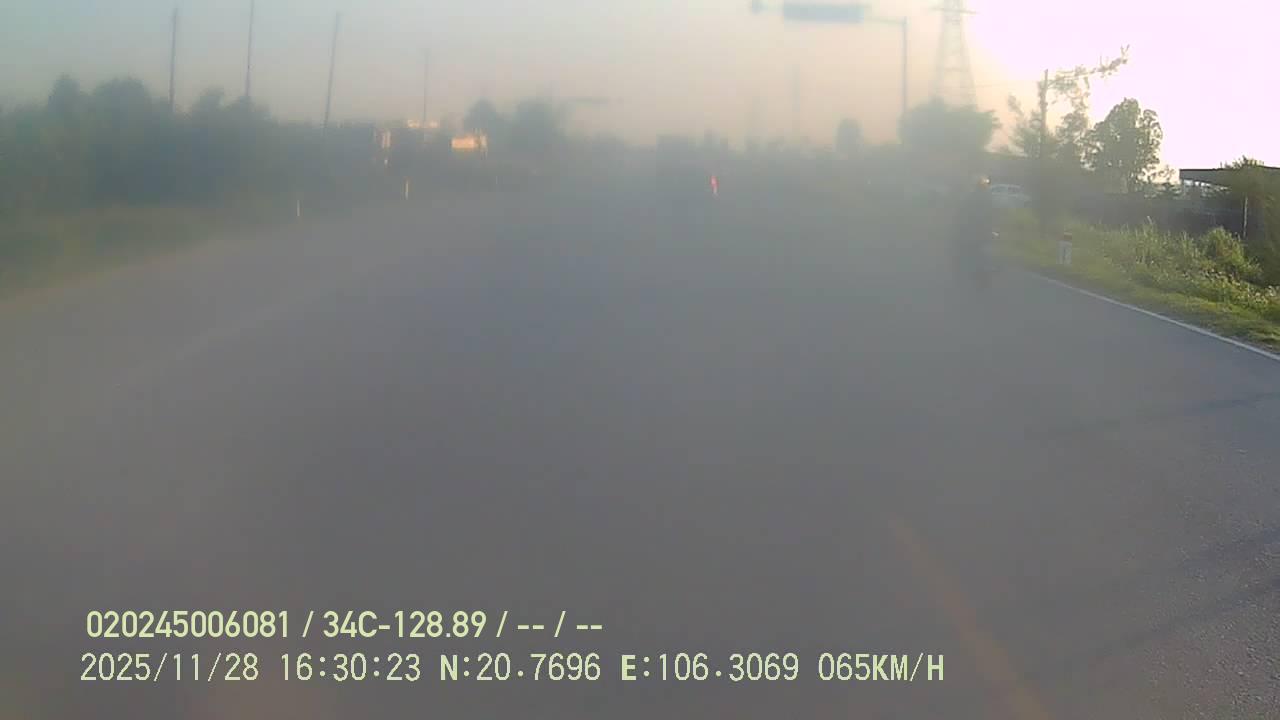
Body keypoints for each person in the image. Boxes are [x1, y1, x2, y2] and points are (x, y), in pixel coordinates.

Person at [951, 175, 996, 287]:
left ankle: (981, 273)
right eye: (983, 184)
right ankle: (969, 271)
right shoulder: (974, 196)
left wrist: (992, 226)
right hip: (973, 228)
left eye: (985, 184)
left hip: (980, 229)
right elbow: (963, 212)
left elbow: (991, 213)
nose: (984, 186)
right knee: (972, 250)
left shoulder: (986, 197)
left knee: (983, 251)